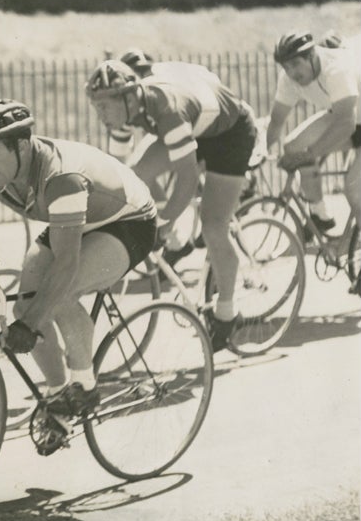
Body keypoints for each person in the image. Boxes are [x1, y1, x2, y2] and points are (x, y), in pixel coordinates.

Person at [0, 99, 157, 429]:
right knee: (25, 306)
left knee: (59, 296)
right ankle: (58, 399)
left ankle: (84, 386)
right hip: (76, 218)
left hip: (127, 219)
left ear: (23, 147)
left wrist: (30, 325)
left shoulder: (61, 178)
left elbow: (67, 263)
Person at [85, 59, 258, 352]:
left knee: (213, 226)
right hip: (197, 128)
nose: (100, 115)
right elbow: (120, 173)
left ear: (129, 97)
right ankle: (179, 240)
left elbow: (186, 178)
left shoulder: (167, 109)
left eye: (104, 106)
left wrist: (163, 226)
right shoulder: (125, 112)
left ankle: (227, 313)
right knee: (135, 175)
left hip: (231, 133)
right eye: (96, 106)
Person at [266, 30, 360, 239]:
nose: (292, 73)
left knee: (355, 191)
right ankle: (321, 215)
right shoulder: (289, 80)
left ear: (311, 56)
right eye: (286, 67)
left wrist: (311, 154)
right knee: (292, 146)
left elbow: (346, 124)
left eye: (296, 64)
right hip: (347, 116)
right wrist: (259, 153)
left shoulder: (336, 69)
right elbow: (277, 121)